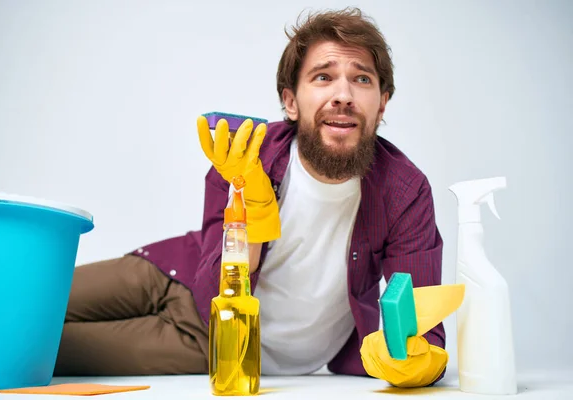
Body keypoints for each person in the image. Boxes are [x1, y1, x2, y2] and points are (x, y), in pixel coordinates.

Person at [53, 7, 448, 388]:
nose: (343, 95)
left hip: (211, 341)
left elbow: (421, 334)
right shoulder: (248, 153)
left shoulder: (405, 192)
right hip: (167, 273)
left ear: (382, 104)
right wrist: (251, 214)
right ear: (291, 101)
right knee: (31, 295)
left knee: (41, 347)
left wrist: (414, 363)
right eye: (323, 77)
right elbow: (212, 288)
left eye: (362, 79)